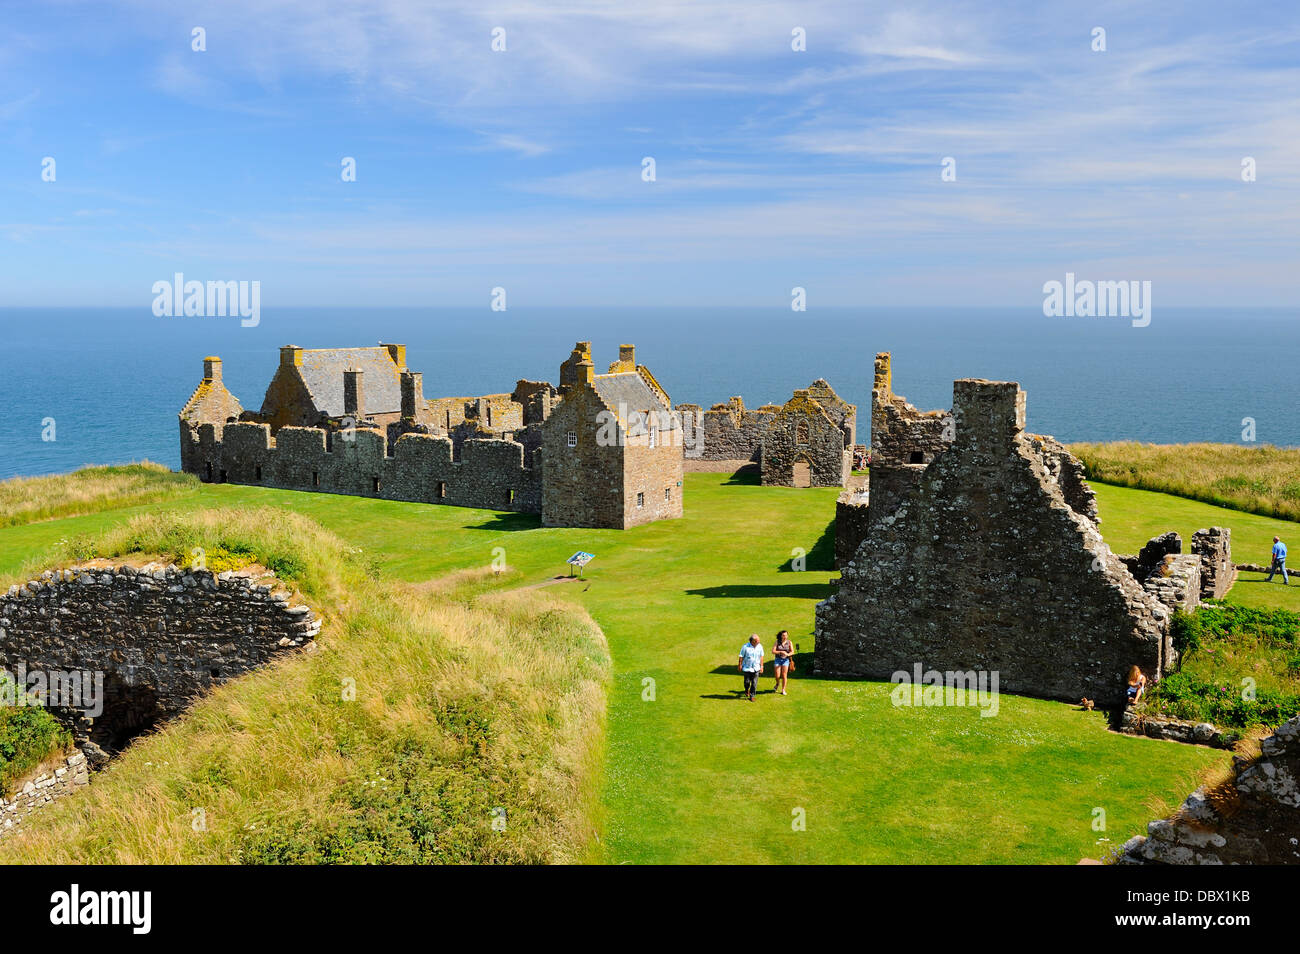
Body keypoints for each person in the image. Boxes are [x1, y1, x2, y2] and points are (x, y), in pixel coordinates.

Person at [737, 634, 764, 702]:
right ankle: (746, 689)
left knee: (754, 683)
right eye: (758, 640)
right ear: (753, 641)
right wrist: (740, 665)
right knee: (747, 682)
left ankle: (752, 696)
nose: (759, 642)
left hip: (756, 668)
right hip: (747, 668)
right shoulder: (745, 646)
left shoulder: (760, 646)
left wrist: (762, 666)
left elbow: (761, 657)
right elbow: (741, 656)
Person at [772, 630, 794, 696]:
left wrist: (788, 654)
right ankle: (777, 683)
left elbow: (792, 651)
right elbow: (773, 651)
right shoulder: (777, 642)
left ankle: (783, 690)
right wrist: (781, 652)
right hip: (778, 659)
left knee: (784, 675)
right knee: (777, 675)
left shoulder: (789, 642)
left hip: (785, 660)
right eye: (783, 635)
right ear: (781, 636)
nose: (785, 637)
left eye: (786, 635)